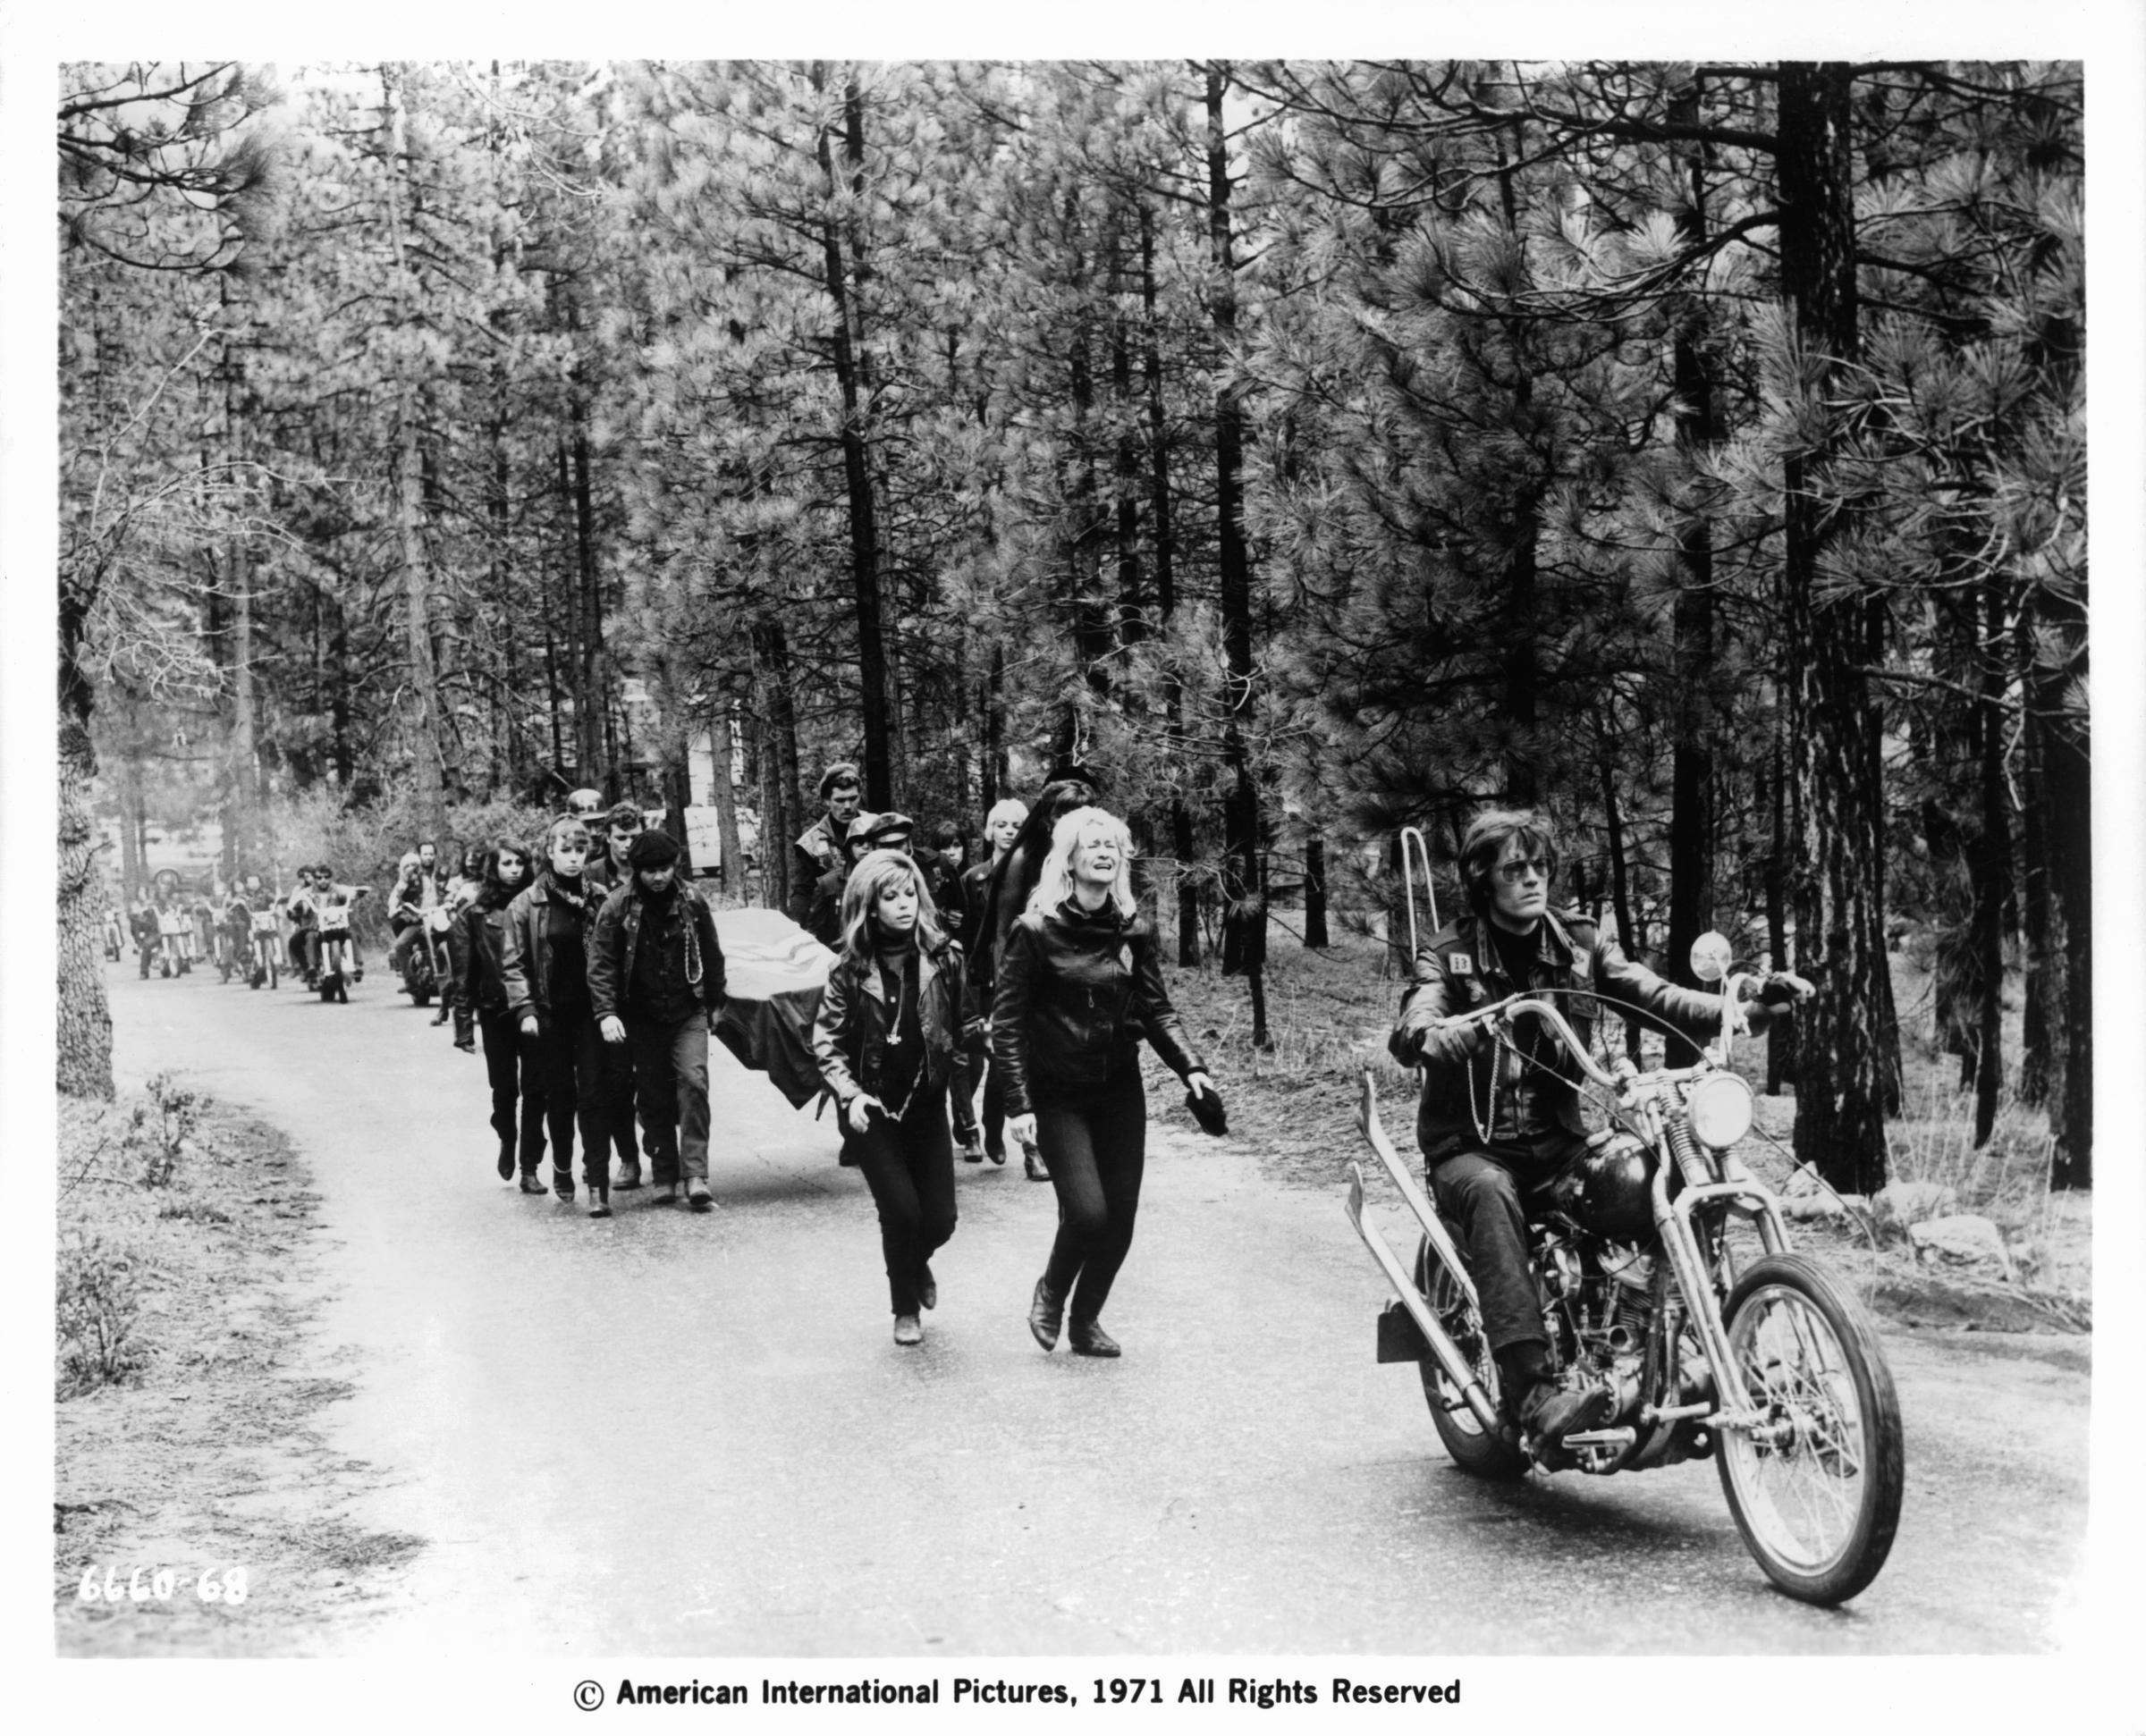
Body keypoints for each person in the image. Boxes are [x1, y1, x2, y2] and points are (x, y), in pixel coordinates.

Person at [1387, 806, 1811, 1449]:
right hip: (1470, 1148)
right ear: (1483, 879)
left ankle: (1677, 1348)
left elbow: (1653, 993)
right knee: (1490, 1194)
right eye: (1515, 869)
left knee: (1646, 1177)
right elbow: (1418, 1014)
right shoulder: (1448, 956)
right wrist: (1433, 1034)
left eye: (1540, 866)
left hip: (1558, 1143)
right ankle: (1532, 1391)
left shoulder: (1579, 944)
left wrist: (1741, 1008)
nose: (1533, 880)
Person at [994, 806, 1214, 1359]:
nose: (1104, 852)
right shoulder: (1035, 930)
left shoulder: (1132, 928)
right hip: (1057, 1091)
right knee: (1088, 1212)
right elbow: (1009, 1021)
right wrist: (1018, 1104)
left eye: (1113, 844)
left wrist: (1192, 1068)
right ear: (1068, 858)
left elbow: (1157, 1009)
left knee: (1120, 1218)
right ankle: (1051, 1290)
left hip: (1118, 1089)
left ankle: (1085, 1320)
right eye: (1092, 843)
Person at [810, 848, 967, 1347]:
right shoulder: (849, 970)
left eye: (911, 894)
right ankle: (904, 1307)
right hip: (870, 1109)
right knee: (901, 1211)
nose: (905, 905)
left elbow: (960, 1025)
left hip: (925, 1103)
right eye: (891, 896)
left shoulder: (945, 958)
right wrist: (850, 1095)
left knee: (940, 1220)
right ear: (868, 905)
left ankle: (914, 1261)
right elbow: (826, 1043)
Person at [589, 829, 727, 1212]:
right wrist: (606, 1012)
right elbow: (601, 964)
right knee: (652, 1095)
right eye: (650, 870)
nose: (658, 877)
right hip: (642, 1016)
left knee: (694, 1082)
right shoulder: (616, 907)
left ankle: (696, 1174)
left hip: (688, 1011)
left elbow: (713, 953)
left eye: (665, 868)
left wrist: (716, 1001)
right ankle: (665, 1173)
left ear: (675, 866)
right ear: (637, 870)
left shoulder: (692, 901)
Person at [974, 778, 1097, 1180]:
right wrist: (1003, 992)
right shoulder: (1022, 860)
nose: (1072, 822)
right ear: (1047, 818)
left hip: (1066, 977)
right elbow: (1000, 931)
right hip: (1022, 974)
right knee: (1014, 1060)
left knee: (1050, 1059)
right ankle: (1026, 1145)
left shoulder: (1086, 858)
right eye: (1063, 814)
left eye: (1079, 814)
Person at [502, 816, 613, 1218]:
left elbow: (615, 955)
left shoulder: (601, 898)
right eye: (565, 850)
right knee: (560, 1098)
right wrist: (525, 1009)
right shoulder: (526, 904)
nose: (573, 858)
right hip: (549, 1016)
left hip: (592, 1013)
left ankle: (598, 1184)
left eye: (580, 850)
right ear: (549, 852)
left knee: (595, 1095)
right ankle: (563, 1166)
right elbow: (513, 964)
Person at [453, 841, 544, 1189]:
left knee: (537, 1088)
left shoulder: (537, 903)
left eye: (520, 862)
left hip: (535, 1010)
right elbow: (463, 972)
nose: (514, 869)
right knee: (505, 1089)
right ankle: (507, 1137)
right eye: (506, 862)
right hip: (495, 1012)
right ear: (493, 867)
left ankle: (530, 1167)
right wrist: (464, 1027)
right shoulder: (473, 914)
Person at [953, 796, 1027, 1164]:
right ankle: (970, 1126)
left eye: (1016, 826)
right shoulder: (973, 878)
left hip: (1017, 976)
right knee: (975, 1056)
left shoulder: (1034, 875)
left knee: (1005, 1059)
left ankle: (997, 1128)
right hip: (980, 977)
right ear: (989, 830)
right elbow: (966, 935)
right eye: (1002, 825)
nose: (1008, 832)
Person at [585, 802, 651, 1188]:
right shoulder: (592, 874)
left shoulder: (653, 866)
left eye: (633, 836)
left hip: (647, 990)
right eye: (621, 837)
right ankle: (628, 1158)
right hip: (608, 992)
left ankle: (659, 1149)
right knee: (616, 1081)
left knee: (657, 1080)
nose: (627, 845)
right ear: (607, 837)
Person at [789, 762, 865, 927]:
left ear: (860, 796)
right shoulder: (810, 844)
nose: (847, 807)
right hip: (835, 922)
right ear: (826, 800)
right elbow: (802, 892)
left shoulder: (875, 827)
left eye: (853, 799)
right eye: (840, 800)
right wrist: (797, 928)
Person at [807, 811, 881, 948]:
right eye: (858, 842)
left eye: (871, 842)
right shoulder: (828, 884)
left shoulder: (890, 880)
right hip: (840, 955)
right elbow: (814, 932)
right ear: (849, 848)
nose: (866, 847)